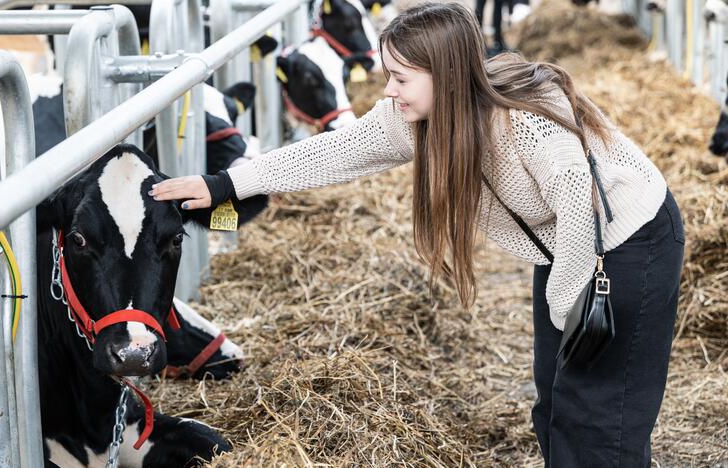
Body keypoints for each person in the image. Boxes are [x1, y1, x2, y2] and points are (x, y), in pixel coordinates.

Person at [149, 3, 685, 466]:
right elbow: (330, 153)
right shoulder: (415, 119)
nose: (389, 90)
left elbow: (576, 210)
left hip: (627, 240)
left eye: (400, 78)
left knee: (598, 409)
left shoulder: (526, 123)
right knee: (555, 400)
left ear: (445, 75)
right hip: (563, 246)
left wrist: (564, 306)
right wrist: (224, 183)